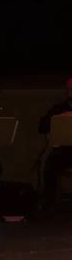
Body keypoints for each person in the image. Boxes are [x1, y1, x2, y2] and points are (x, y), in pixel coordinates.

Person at [38, 77, 72, 210]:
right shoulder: (58, 108)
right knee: (50, 166)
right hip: (63, 151)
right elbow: (42, 127)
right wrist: (58, 118)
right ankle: (49, 202)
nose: (70, 91)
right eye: (68, 89)